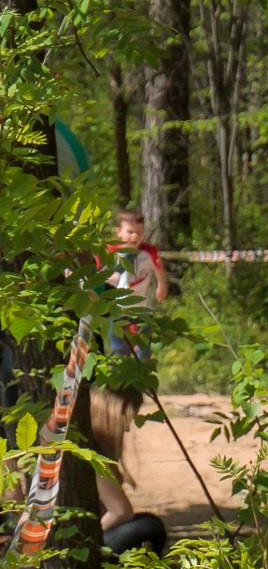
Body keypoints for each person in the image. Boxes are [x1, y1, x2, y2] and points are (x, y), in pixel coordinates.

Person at [91, 209, 170, 539]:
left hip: (139, 314)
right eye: (126, 422)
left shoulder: (146, 255)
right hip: (119, 315)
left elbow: (158, 274)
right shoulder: (91, 450)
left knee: (138, 349)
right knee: (146, 528)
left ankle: (135, 372)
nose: (126, 430)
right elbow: (120, 511)